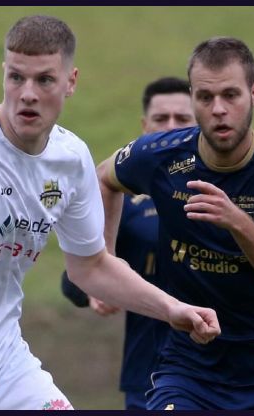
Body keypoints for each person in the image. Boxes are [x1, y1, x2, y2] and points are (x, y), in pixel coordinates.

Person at [0, 15, 220, 411]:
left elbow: (91, 266)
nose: (27, 94)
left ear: (71, 82)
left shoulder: (71, 158)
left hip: (4, 363)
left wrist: (171, 308)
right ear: (4, 74)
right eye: (16, 78)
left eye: (44, 80)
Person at [97, 37, 254, 410]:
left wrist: (237, 221)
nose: (218, 109)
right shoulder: (162, 156)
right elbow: (103, 178)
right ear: (193, 98)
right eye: (205, 97)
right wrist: (105, 261)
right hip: (187, 371)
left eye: (231, 95)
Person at [60, 76, 196, 409]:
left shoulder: (227, 193)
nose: (170, 127)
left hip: (222, 368)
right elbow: (75, 278)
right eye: (161, 118)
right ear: (144, 126)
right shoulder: (123, 203)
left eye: (182, 118)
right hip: (148, 373)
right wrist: (94, 292)